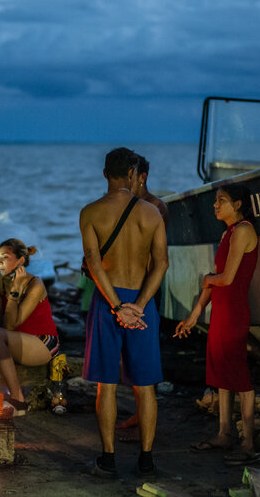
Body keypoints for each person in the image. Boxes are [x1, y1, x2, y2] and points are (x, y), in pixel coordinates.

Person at [80, 147, 168, 477]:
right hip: (142, 305)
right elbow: (161, 264)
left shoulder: (90, 212)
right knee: (145, 388)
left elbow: (93, 263)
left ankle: (108, 459)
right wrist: (140, 306)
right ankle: (146, 460)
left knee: (107, 385)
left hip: (108, 301)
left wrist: (117, 306)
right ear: (133, 174)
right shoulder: (152, 213)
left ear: (105, 173)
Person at [174, 183, 260, 465]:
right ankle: (224, 433)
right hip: (221, 313)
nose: (215, 205)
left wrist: (207, 279)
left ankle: (248, 443)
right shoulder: (228, 233)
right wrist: (194, 314)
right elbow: (216, 280)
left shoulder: (244, 230)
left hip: (234, 312)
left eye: (221, 200)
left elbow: (225, 279)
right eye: (215, 201)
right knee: (222, 376)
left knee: (239, 377)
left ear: (237, 204)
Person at [116, 154, 171, 435]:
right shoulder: (129, 205)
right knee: (130, 361)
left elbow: (156, 259)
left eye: (130, 175)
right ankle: (140, 414)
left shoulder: (155, 207)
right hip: (127, 290)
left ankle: (144, 419)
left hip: (145, 292)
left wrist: (141, 300)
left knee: (143, 362)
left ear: (141, 177)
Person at [0, 238, 58, 417]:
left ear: (20, 261)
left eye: (5, 258)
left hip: (43, 342)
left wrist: (14, 291)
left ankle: (19, 400)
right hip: (16, 341)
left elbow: (10, 325)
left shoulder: (35, 284)